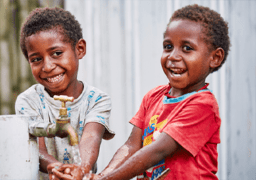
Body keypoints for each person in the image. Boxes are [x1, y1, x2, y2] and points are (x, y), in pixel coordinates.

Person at [53, 4, 230, 180]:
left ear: (215, 58)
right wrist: (102, 176)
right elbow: (132, 146)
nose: (173, 56)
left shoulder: (203, 105)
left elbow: (157, 151)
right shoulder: (153, 97)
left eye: (187, 48)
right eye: (168, 46)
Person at [15, 7, 115, 180]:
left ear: (80, 49)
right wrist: (57, 168)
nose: (47, 66)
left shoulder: (97, 100)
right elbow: (36, 150)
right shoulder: (28, 101)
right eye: (36, 59)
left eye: (57, 53)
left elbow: (91, 137)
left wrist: (79, 169)